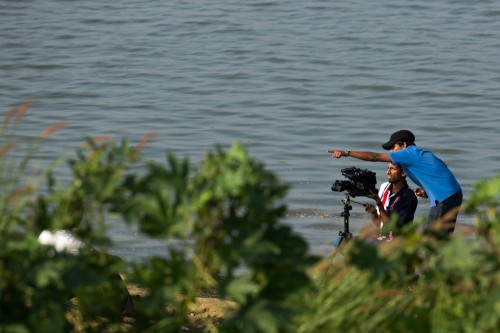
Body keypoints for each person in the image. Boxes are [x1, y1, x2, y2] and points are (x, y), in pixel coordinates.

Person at [329, 129, 462, 235]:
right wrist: (427, 191)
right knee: (441, 239)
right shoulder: (420, 154)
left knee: (434, 240)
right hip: (452, 193)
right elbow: (438, 172)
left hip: (444, 197)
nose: (392, 152)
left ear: (403, 145)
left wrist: (346, 153)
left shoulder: (408, 153)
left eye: (393, 147)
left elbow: (375, 157)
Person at [364, 163, 418, 241]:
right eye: (388, 168)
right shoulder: (384, 187)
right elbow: (378, 223)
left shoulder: (409, 196)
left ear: (403, 173)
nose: (388, 172)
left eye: (392, 169)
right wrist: (374, 213)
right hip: (383, 238)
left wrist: (379, 203)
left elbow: (392, 228)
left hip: (397, 242)